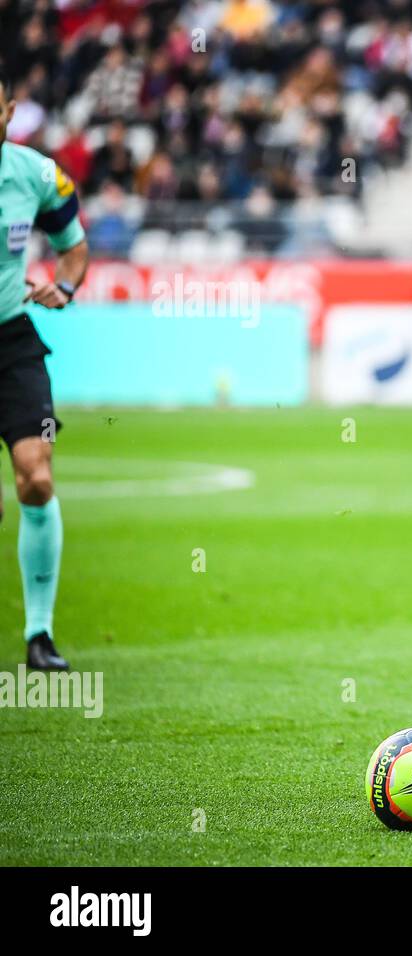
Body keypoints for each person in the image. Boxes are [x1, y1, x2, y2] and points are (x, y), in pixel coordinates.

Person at [0, 71, 89, 671]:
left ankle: (39, 635)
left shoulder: (34, 173)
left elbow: (74, 245)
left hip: (12, 340)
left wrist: (65, 284)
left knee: (36, 473)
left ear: (8, 109)